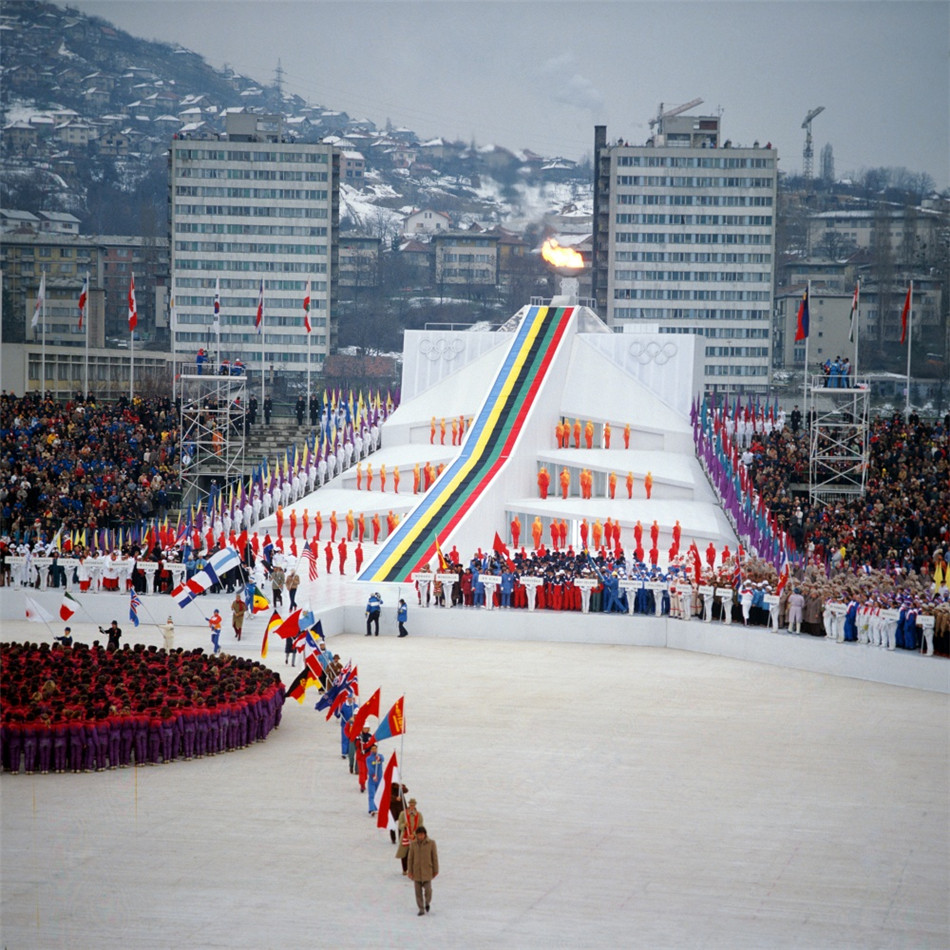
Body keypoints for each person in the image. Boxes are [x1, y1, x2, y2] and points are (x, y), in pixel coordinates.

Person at [407, 825, 439, 916]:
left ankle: (427, 902)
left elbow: (434, 857)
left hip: (427, 871)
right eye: (419, 835)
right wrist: (410, 871)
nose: (420, 836)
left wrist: (435, 870)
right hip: (416, 871)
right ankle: (421, 908)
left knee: (428, 890)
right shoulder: (413, 844)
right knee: (418, 892)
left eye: (422, 835)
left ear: (425, 834)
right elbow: (410, 858)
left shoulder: (431, 843)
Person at [396, 798, 423, 875]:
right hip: (405, 837)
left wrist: (414, 834)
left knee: (414, 854)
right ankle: (405, 869)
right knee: (404, 854)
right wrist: (404, 825)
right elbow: (399, 825)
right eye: (410, 805)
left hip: (415, 837)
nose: (411, 806)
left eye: (413, 805)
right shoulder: (403, 814)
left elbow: (420, 826)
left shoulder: (419, 815)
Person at [366, 743, 383, 816]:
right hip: (372, 780)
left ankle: (377, 808)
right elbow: (369, 768)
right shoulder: (369, 758)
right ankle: (371, 809)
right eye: (372, 749)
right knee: (372, 794)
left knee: (378, 794)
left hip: (379, 780)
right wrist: (373, 775)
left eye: (375, 748)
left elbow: (383, 759)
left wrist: (379, 758)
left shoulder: (380, 756)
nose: (374, 750)